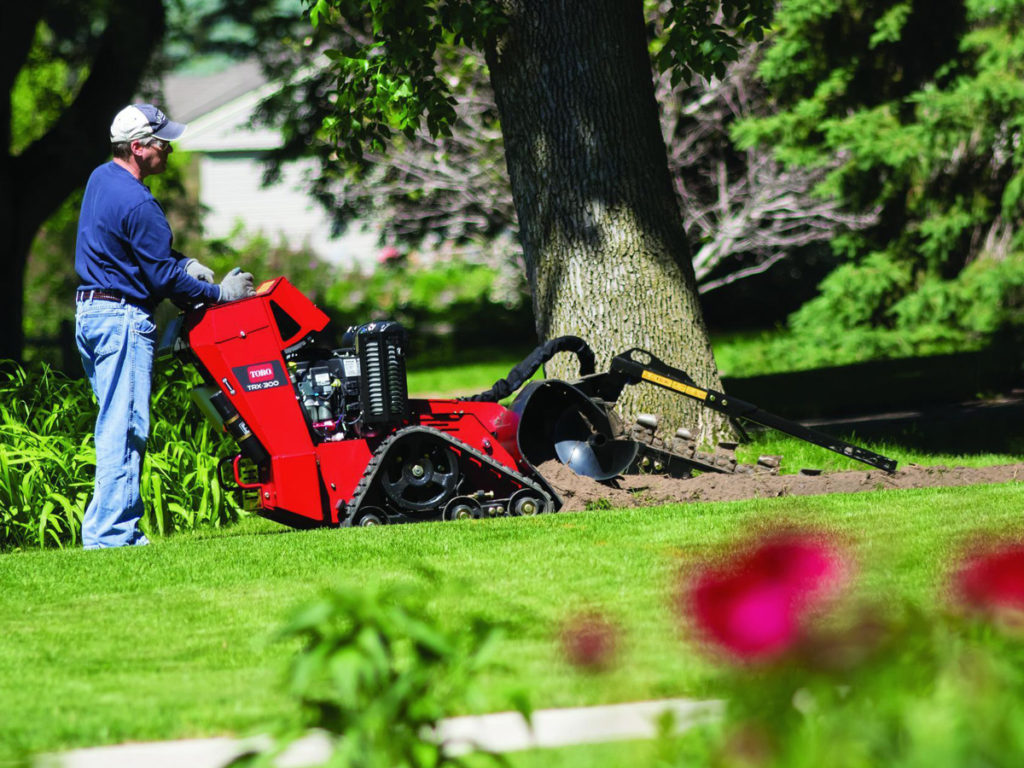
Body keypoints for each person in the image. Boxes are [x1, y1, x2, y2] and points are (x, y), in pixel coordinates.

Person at [74, 103, 255, 549]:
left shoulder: (102, 178)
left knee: (112, 423)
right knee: (126, 425)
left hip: (90, 315)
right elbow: (159, 277)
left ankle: (105, 530)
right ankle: (112, 536)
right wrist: (219, 295)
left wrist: (185, 263)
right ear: (138, 147)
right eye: (162, 143)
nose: (170, 150)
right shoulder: (140, 202)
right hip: (121, 320)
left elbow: (138, 255)